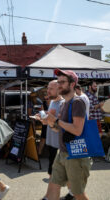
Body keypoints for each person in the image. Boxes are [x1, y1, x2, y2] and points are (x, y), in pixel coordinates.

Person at [42, 69, 92, 200]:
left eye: (62, 82)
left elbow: (77, 130)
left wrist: (57, 121)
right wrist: (51, 122)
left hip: (76, 155)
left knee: (78, 194)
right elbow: (59, 129)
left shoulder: (78, 102)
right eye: (58, 82)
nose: (59, 85)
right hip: (63, 152)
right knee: (53, 185)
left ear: (72, 84)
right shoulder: (64, 104)